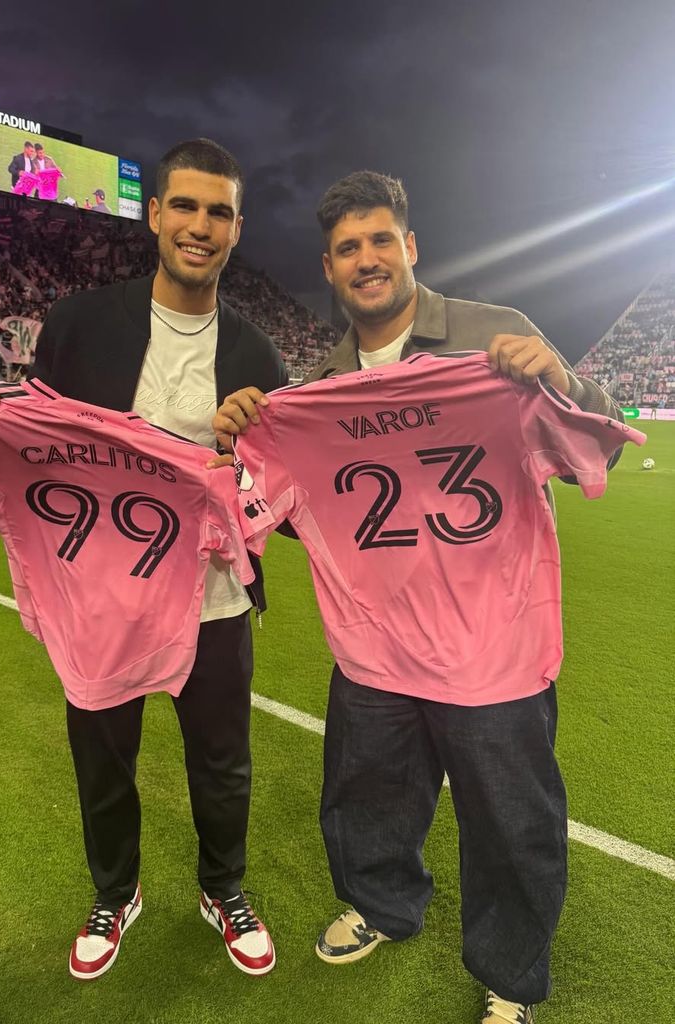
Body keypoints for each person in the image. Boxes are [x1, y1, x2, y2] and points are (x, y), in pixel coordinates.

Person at [212, 170, 624, 1024]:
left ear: (409, 247)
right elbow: (306, 519)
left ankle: (509, 973)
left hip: (491, 645)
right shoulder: (315, 386)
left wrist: (562, 379)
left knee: (510, 821)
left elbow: (597, 448)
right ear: (328, 268)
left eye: (379, 240)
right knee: (367, 798)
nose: (366, 259)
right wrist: (243, 443)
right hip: (374, 645)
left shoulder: (494, 335)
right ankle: (383, 906)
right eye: (346, 248)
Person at [0, 138, 286, 981]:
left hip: (213, 599)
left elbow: (281, 502)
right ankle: (116, 892)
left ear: (237, 228)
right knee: (102, 759)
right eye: (186, 206)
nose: (200, 226)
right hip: (101, 595)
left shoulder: (257, 354)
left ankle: (223, 889)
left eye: (218, 212)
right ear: (155, 214)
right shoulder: (79, 323)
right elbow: (38, 433)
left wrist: (245, 454)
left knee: (222, 763)